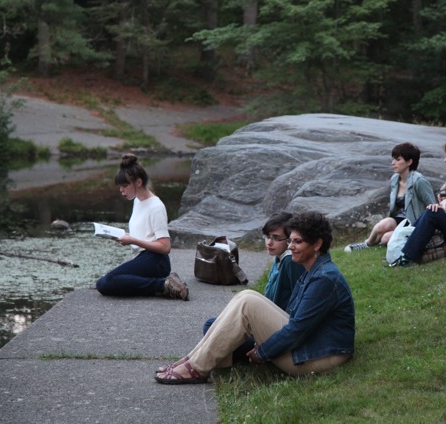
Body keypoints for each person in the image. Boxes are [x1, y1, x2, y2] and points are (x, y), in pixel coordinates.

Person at [154, 212, 355, 384]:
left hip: (319, 356)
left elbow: (297, 329)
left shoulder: (324, 278)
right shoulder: (313, 270)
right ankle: (193, 360)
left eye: (298, 241)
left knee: (248, 302)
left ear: (317, 244)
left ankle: (197, 367)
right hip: (313, 345)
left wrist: (262, 352)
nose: (291, 246)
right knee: (247, 296)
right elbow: (294, 317)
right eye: (291, 240)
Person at [198, 212, 305, 362]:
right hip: (266, 327)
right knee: (213, 325)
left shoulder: (289, 262)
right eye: (267, 236)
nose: (269, 242)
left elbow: (285, 306)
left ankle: (218, 356)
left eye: (276, 238)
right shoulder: (279, 258)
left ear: (289, 240)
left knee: (212, 327)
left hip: (275, 332)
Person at [95, 154, 188, 300]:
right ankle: (165, 283)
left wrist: (133, 241)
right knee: (107, 282)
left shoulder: (156, 207)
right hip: (143, 258)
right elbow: (144, 233)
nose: (121, 190)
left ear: (138, 182)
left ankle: (164, 285)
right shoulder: (137, 201)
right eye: (120, 186)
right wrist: (119, 235)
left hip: (155, 260)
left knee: (105, 283)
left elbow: (165, 247)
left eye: (125, 186)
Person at [344, 142, 436, 252]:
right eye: (393, 159)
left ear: (409, 162)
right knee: (383, 224)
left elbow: (432, 205)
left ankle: (386, 241)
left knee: (386, 238)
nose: (393, 163)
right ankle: (367, 244)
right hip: (399, 220)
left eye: (398, 160)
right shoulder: (395, 179)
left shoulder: (419, 181)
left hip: (414, 224)